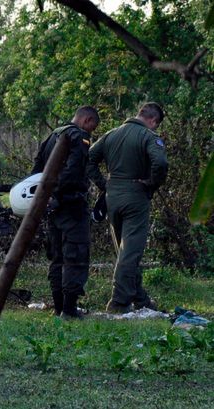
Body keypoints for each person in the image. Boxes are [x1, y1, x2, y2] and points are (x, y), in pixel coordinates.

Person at [88, 102, 168, 313]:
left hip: (112, 196)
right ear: (153, 120)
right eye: (156, 125)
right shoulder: (148, 137)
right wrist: (151, 183)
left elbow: (89, 159)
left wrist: (103, 184)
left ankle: (140, 298)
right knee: (130, 252)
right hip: (135, 196)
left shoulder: (111, 135)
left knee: (126, 251)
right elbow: (160, 163)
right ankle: (118, 302)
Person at [31, 106, 100, 319]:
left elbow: (36, 170)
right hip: (71, 204)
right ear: (87, 120)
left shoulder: (53, 135)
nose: (91, 132)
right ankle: (69, 310)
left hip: (52, 206)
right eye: (92, 127)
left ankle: (59, 307)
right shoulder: (78, 136)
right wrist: (60, 192)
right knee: (76, 255)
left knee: (57, 257)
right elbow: (75, 170)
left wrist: (46, 195)